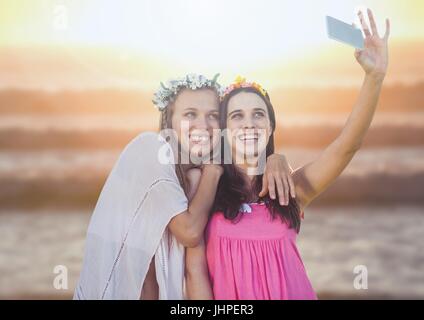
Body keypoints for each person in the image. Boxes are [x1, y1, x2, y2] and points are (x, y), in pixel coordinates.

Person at [185, 9, 390, 299]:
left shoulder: (290, 190)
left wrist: (375, 78)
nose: (248, 123)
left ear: (270, 127)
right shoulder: (205, 189)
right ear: (222, 130)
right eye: (237, 116)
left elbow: (347, 146)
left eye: (258, 114)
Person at [73, 73, 294, 299]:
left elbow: (195, 268)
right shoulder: (149, 149)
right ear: (170, 120)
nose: (203, 125)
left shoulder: (196, 179)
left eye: (213, 116)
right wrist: (214, 169)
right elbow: (189, 232)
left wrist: (274, 159)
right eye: (190, 114)